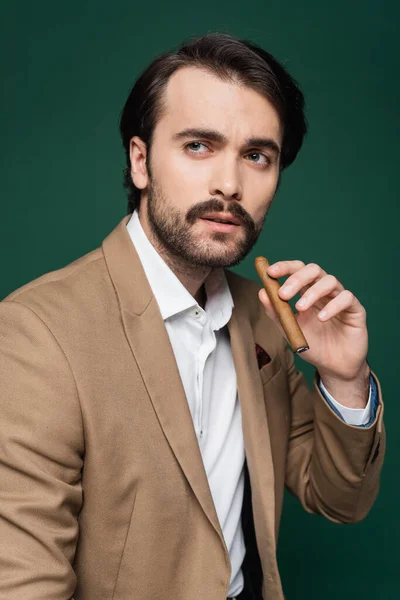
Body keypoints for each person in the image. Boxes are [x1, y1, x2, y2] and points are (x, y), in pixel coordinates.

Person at [0, 33, 385, 600]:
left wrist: (344, 379)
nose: (230, 184)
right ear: (140, 161)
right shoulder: (35, 334)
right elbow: (24, 582)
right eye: (199, 145)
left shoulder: (264, 321)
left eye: (257, 156)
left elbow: (339, 500)